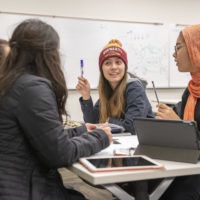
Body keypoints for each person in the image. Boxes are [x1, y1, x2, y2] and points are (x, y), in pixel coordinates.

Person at [0, 19, 112, 200]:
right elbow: (60, 153)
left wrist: (81, 130)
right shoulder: (32, 87)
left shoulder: (11, 83)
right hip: (24, 189)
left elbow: (42, 136)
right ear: (48, 53)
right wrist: (100, 137)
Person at [155, 24, 200, 200]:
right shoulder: (191, 90)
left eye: (178, 47)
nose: (174, 54)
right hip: (189, 165)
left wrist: (178, 125)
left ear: (195, 48)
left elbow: (185, 129)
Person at [76, 39, 154, 134]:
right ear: (102, 69)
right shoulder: (108, 90)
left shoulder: (134, 88)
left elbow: (132, 127)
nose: (113, 67)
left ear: (125, 67)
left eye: (118, 62)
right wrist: (86, 96)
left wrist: (107, 120)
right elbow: (92, 122)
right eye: (107, 63)